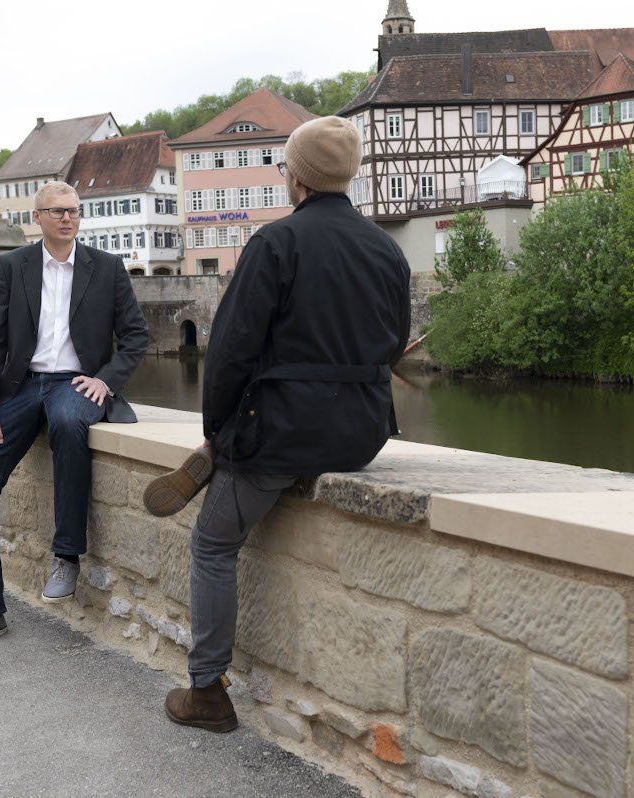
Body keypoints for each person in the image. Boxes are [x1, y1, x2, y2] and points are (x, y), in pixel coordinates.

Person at [154, 116, 412, 733]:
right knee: (259, 454)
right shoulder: (386, 248)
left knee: (213, 544)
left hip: (282, 430)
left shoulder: (276, 243)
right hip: (361, 432)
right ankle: (233, 456)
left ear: (296, 176)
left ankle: (207, 692)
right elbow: (396, 342)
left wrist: (216, 429)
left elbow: (232, 350)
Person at [0, 181, 149, 656]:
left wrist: (106, 380)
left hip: (76, 383)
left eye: (73, 211)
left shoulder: (107, 267)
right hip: (20, 388)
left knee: (67, 422)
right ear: (36, 218)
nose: (66, 218)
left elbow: (136, 336)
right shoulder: (12, 267)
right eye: (56, 211)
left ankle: (66, 555)